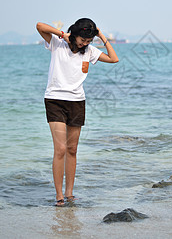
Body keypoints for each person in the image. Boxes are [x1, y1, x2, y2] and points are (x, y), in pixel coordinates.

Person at [36, 18, 119, 206]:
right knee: (61, 148)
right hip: (55, 100)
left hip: (77, 102)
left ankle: (70, 193)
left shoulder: (89, 51)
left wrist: (101, 36)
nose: (85, 43)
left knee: (72, 149)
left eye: (89, 41)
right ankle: (58, 195)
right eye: (83, 39)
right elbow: (39, 26)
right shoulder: (57, 44)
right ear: (75, 33)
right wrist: (62, 35)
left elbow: (114, 59)